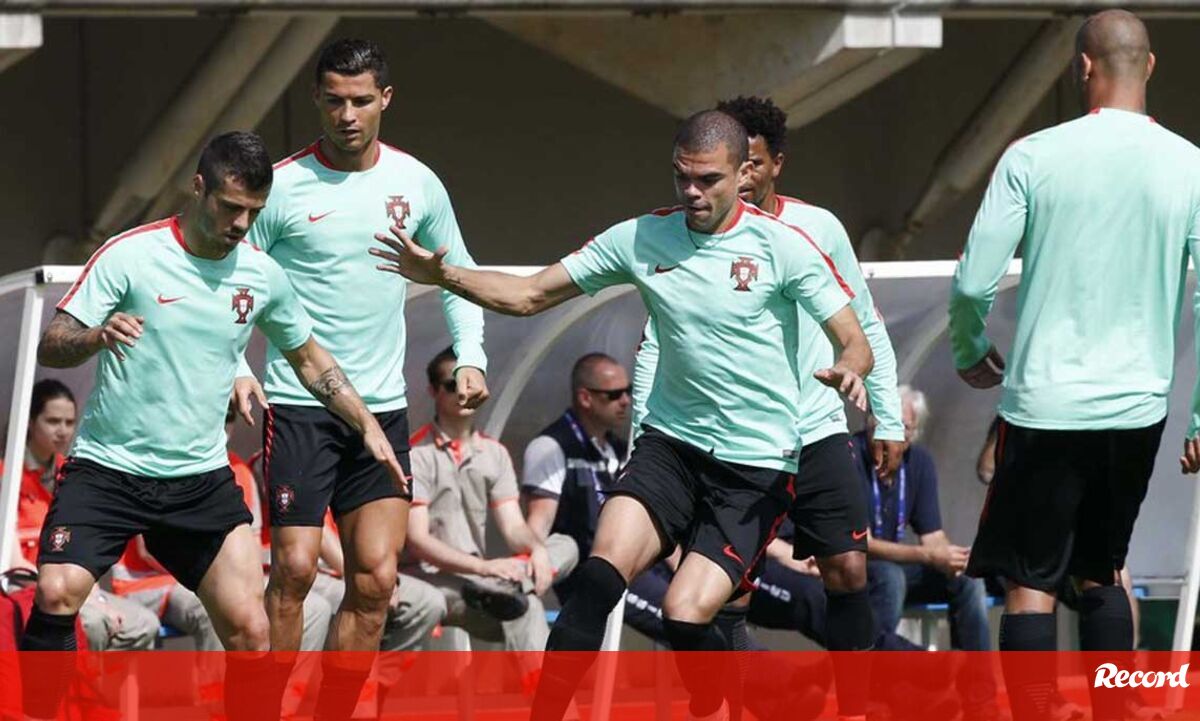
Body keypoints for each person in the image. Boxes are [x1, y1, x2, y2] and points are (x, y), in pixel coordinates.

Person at [373, 109, 874, 721]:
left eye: (708, 180)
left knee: (685, 615)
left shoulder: (785, 247)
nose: (692, 192)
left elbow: (856, 339)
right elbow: (530, 295)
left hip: (754, 467)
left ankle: (750, 693)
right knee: (597, 579)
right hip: (672, 447)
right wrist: (442, 274)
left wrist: (849, 367)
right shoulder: (641, 238)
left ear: (742, 173)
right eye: (682, 176)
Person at [22, 131, 404, 721]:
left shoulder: (262, 275)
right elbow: (53, 342)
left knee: (253, 629)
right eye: (230, 207)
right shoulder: (130, 254)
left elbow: (309, 359)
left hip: (198, 482)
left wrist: (366, 422)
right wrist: (96, 335)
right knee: (55, 592)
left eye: (254, 211)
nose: (241, 224)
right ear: (198, 188)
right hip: (108, 470)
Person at [949, 10, 1200, 721]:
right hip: (1136, 408)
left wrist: (968, 347)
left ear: (1083, 67)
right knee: (1104, 568)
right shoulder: (1190, 164)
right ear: (1150, 67)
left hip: (1044, 405)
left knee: (1029, 582)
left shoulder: (1033, 156)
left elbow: (971, 284)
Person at [232, 38, 489, 719]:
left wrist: (470, 355)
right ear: (317, 100)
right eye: (335, 101)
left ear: (386, 100)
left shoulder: (417, 183)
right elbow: (226, 281)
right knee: (294, 568)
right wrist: (235, 364)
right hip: (299, 404)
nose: (347, 115)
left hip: (382, 410)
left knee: (375, 579)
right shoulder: (281, 186)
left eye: (361, 101)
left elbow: (458, 275)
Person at [629, 95, 906, 721]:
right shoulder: (689, 240)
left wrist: (886, 416)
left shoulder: (817, 230)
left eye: (752, 164)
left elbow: (866, 324)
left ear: (774, 163)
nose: (744, 177)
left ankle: (854, 711)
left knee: (849, 570)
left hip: (816, 430)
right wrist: (647, 442)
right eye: (736, 167)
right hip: (731, 444)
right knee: (727, 595)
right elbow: (656, 344)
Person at [111, 407, 333, 654]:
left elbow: (251, 546)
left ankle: (288, 680)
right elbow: (148, 551)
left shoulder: (238, 470)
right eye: (214, 414)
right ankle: (217, 681)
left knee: (315, 609)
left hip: (213, 575)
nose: (222, 425)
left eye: (228, 418)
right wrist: (217, 579)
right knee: (224, 604)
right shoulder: (160, 460)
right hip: (148, 582)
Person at [404, 347, 578, 658]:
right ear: (433, 391)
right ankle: (514, 588)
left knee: (565, 545)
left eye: (470, 384)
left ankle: (515, 584)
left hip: (485, 582)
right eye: (452, 385)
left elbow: (514, 528)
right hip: (433, 580)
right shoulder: (416, 454)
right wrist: (485, 568)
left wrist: (536, 550)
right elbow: (418, 541)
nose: (463, 393)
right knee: (527, 606)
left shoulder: (494, 453)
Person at [4, 379, 160, 652]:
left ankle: (101, 680)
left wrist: (94, 596)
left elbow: (85, 546)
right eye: (53, 421)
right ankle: (77, 681)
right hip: (29, 587)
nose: (63, 431)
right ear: (29, 422)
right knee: (94, 623)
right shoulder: (7, 474)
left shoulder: (73, 472)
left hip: (75, 583)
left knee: (144, 624)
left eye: (69, 422)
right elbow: (14, 562)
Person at [858, 386, 989, 652]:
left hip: (898, 570)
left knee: (968, 579)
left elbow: (933, 537)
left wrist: (953, 558)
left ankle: (975, 675)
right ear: (872, 424)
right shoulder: (850, 456)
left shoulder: (919, 461)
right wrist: (928, 556)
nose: (898, 436)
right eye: (891, 425)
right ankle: (873, 665)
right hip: (856, 568)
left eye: (906, 428)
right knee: (891, 577)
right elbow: (862, 543)